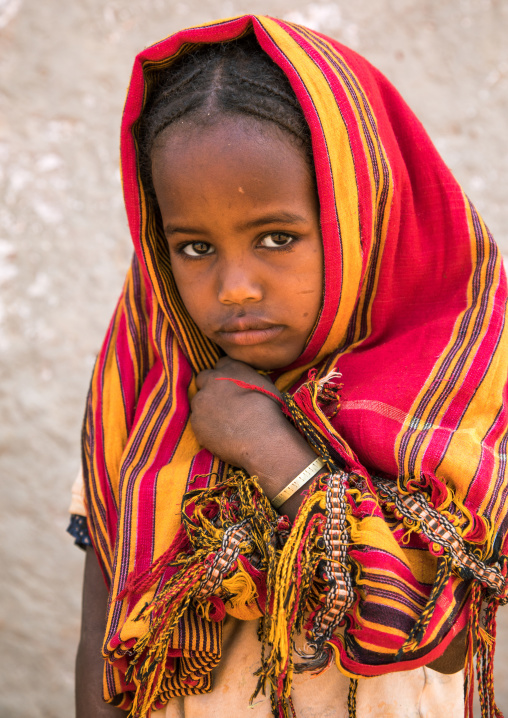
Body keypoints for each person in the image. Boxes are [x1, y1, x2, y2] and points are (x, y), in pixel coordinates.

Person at [69, 15, 508, 718]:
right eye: (193, 247)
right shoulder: (147, 394)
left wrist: (276, 456)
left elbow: (439, 635)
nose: (235, 287)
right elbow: (104, 644)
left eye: (276, 237)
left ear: (364, 217)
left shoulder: (448, 399)